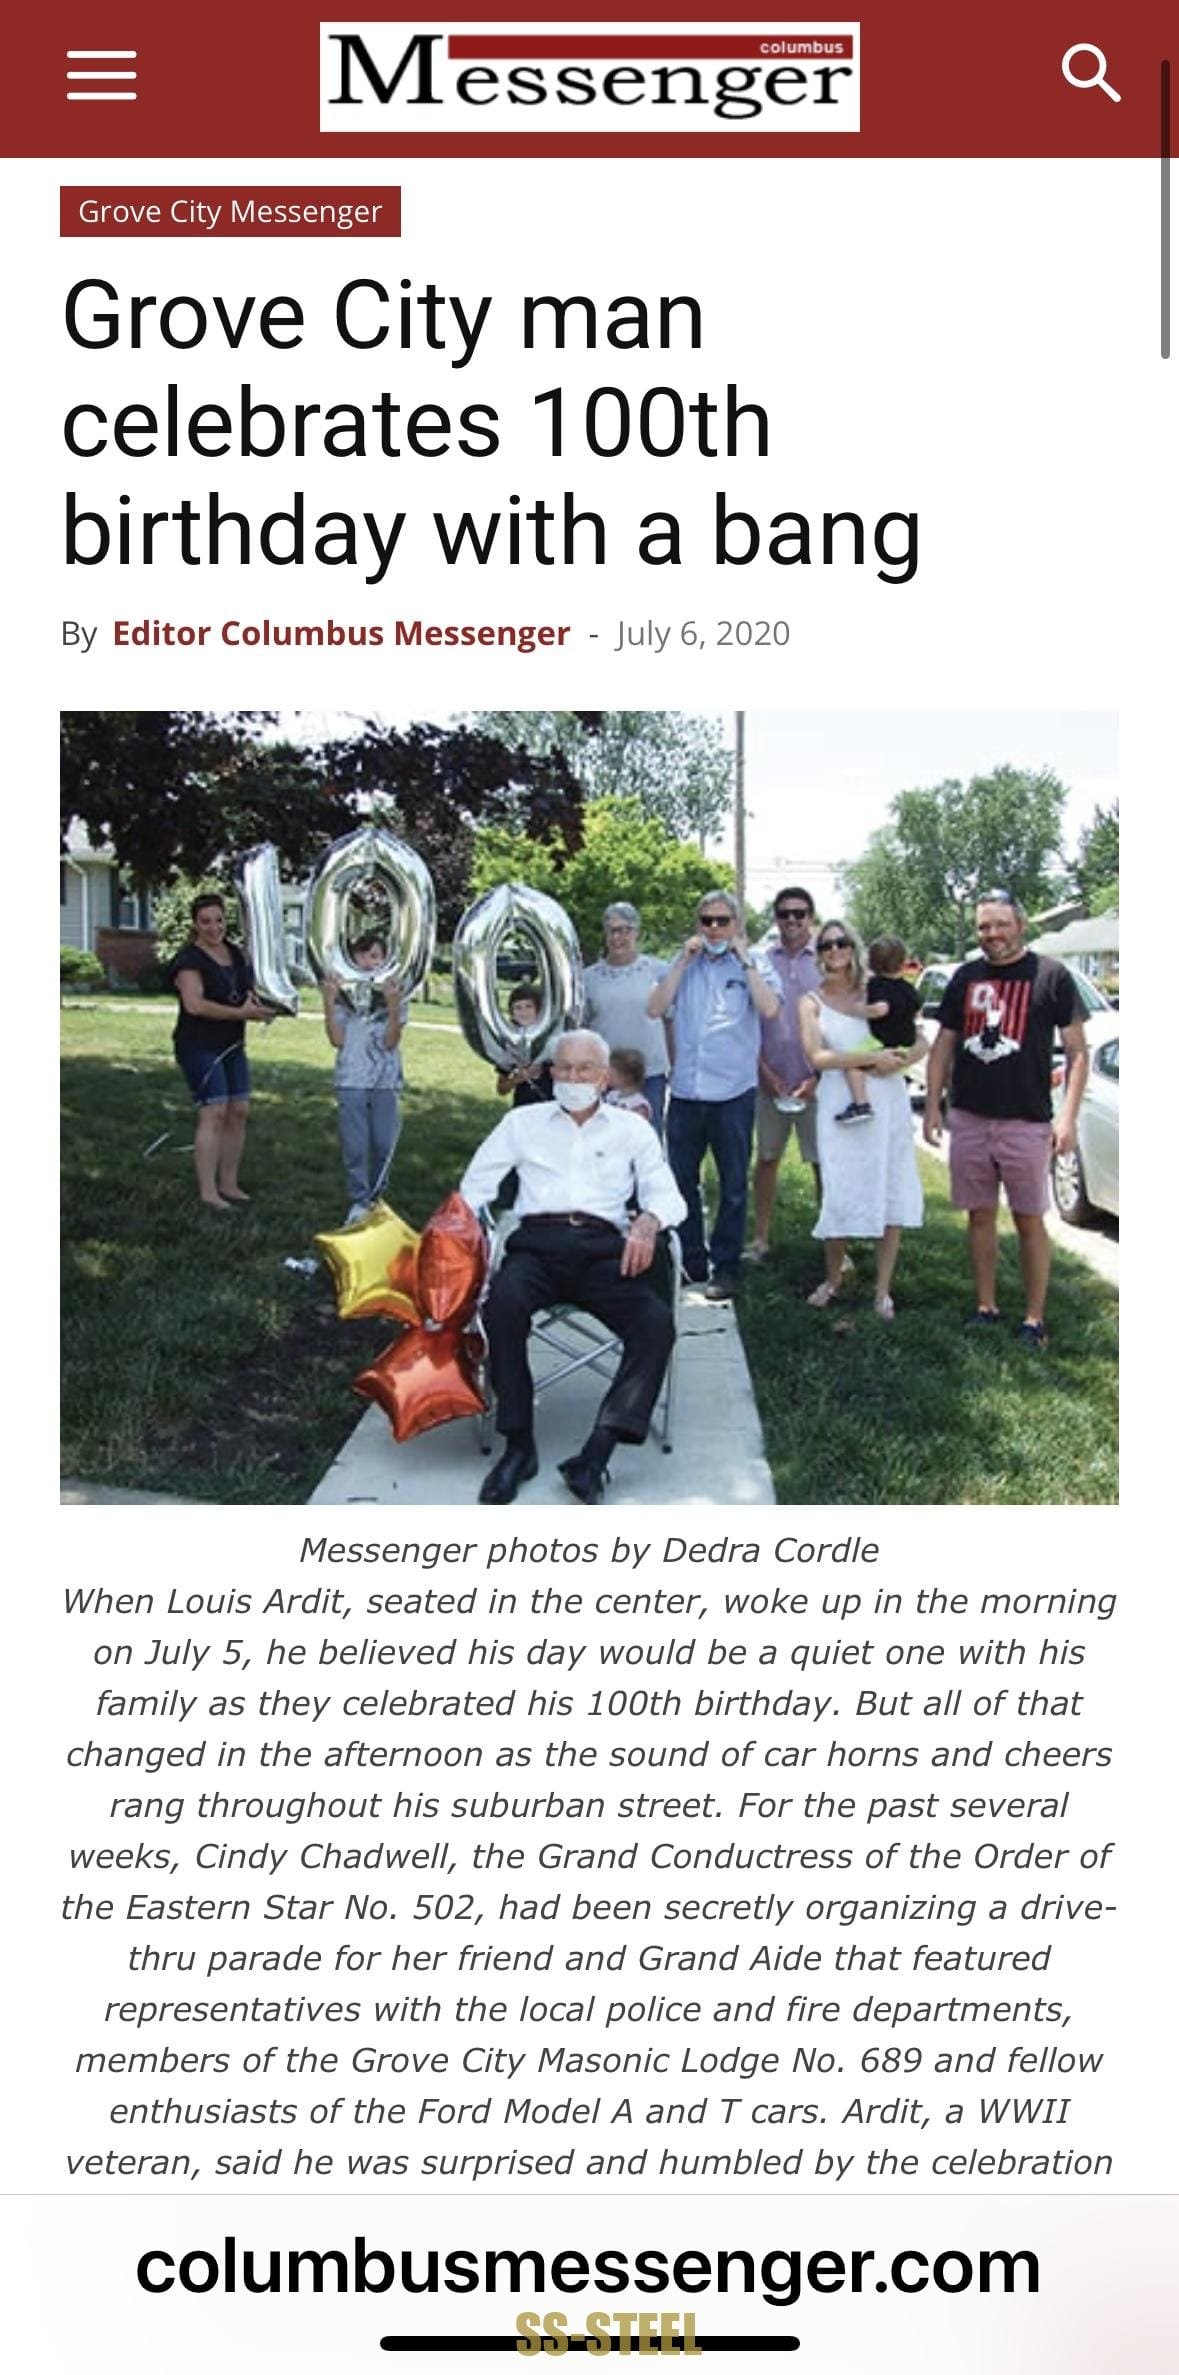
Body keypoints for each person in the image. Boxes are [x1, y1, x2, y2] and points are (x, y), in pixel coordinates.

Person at [459, 1030, 686, 1506]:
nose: (573, 1077)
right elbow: (473, 1188)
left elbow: (668, 1196)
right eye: (564, 1067)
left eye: (585, 1069)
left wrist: (648, 1221)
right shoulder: (521, 1123)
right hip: (536, 1247)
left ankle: (595, 1456)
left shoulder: (631, 1129)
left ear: (604, 1078)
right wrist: (457, 1229)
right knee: (502, 1306)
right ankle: (518, 1446)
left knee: (654, 1322)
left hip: (605, 1251)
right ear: (550, 1072)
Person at [923, 891, 1089, 1347]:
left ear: (1020, 924)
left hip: (1027, 1121)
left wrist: (1068, 1118)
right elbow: (943, 1045)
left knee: (1029, 1219)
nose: (992, 934)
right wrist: (934, 1104)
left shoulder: (1052, 976)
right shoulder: (965, 977)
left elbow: (1077, 1053)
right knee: (979, 1216)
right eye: (984, 926)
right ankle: (986, 1307)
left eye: (1000, 924)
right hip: (970, 1118)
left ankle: (1034, 1319)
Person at [648, 889, 779, 1300]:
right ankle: (690, 1260)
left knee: (733, 1185)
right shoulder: (683, 963)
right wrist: (682, 961)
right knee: (681, 1180)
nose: (715, 929)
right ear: (698, 925)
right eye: (708, 921)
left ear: (737, 925)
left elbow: (770, 1009)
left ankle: (725, 1267)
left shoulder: (755, 964)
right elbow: (655, 1007)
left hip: (733, 1092)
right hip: (687, 1091)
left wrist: (745, 960)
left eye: (723, 921)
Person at [800, 920, 925, 1320]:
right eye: (826, 945)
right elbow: (817, 1057)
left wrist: (900, 1060)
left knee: (890, 1185)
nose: (834, 950)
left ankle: (882, 1290)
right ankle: (833, 1279)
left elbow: (921, 1038)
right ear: (818, 953)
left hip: (887, 1098)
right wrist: (869, 1058)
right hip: (840, 1103)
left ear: (853, 947)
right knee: (839, 1187)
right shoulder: (810, 1002)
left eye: (841, 942)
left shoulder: (879, 990)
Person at [168, 892, 270, 1209]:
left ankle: (229, 1184)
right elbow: (195, 1005)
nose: (214, 928)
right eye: (205, 922)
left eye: (219, 920)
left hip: (232, 1044)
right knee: (214, 1112)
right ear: (195, 925)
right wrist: (241, 1014)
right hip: (197, 1044)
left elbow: (248, 992)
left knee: (238, 1111)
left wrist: (262, 1006)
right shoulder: (189, 959)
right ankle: (208, 1192)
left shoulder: (235, 954)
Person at [746, 885, 823, 1260]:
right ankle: (760, 1237)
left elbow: (841, 1021)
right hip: (770, 1079)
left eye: (800, 913)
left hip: (819, 1082)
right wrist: (762, 1071)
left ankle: (832, 1239)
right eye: (784, 914)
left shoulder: (828, 959)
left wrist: (819, 1078)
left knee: (824, 1163)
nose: (792, 920)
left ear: (811, 917)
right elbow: (749, 1020)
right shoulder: (760, 962)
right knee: (766, 1159)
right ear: (775, 919)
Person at [321, 934, 407, 1225]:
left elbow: (391, 1042)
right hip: (351, 1079)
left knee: (383, 1143)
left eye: (375, 956)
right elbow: (337, 1039)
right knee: (355, 1145)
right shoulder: (343, 996)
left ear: (384, 961)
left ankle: (377, 1197)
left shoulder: (395, 993)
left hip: (385, 1081)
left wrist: (393, 1006)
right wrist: (328, 1001)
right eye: (361, 955)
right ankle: (359, 1200)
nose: (368, 962)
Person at [581, 902, 672, 1135]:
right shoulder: (588, 978)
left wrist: (675, 1064)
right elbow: (583, 1028)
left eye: (625, 930)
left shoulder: (658, 970)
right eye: (611, 930)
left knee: (647, 1138)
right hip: (604, 1075)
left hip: (648, 1075)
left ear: (636, 932)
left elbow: (670, 1021)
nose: (617, 937)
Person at [834, 934, 924, 1125]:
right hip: (906, 1044)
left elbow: (880, 1009)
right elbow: (917, 1012)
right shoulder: (909, 988)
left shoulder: (876, 985)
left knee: (852, 1062)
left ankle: (861, 1103)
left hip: (881, 1041)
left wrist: (857, 1010)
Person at [495, 984, 554, 1107]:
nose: (524, 1012)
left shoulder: (551, 1038)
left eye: (529, 1006)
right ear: (511, 1012)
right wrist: (519, 1078)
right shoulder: (511, 1044)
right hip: (524, 1106)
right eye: (518, 1007)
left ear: (539, 1009)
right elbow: (501, 1089)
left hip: (554, 1105)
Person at [605, 1046, 653, 1124]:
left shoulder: (639, 1105)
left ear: (626, 1077)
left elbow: (636, 1126)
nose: (607, 1076)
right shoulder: (611, 1096)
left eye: (611, 1074)